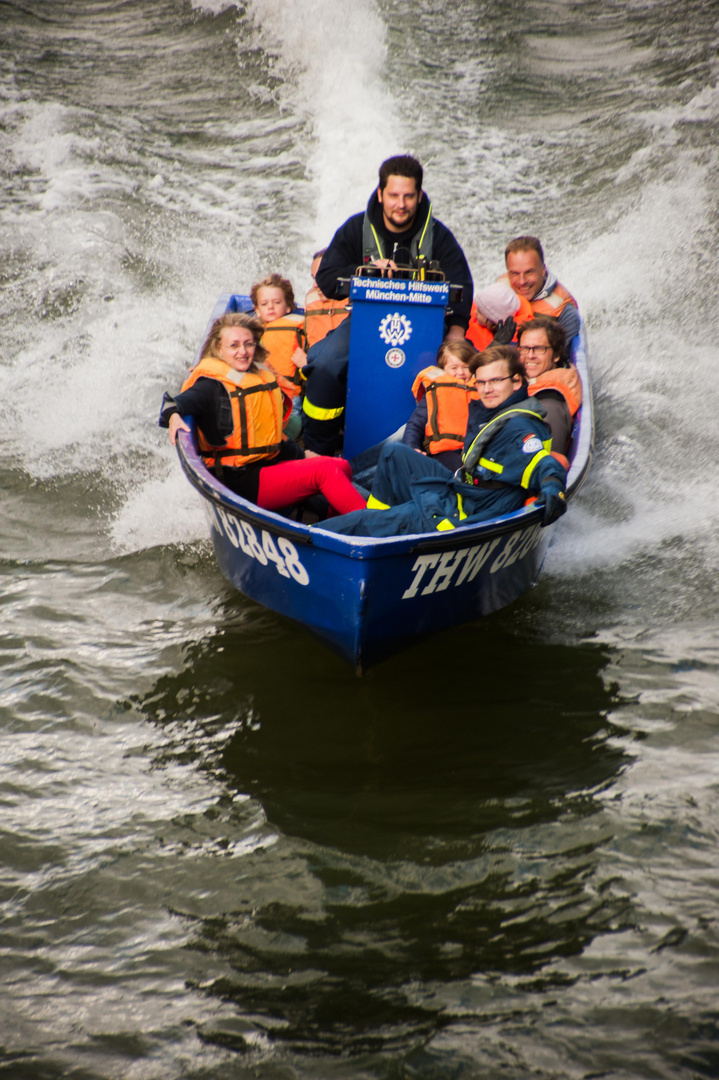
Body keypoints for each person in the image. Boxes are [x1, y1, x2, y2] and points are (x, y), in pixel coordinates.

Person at [301, 154, 475, 456]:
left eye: (408, 196)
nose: (401, 204)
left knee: (464, 373)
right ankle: (319, 452)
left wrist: (457, 332)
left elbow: (463, 286)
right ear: (381, 194)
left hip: (428, 328)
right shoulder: (356, 229)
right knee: (326, 367)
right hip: (364, 323)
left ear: (419, 196)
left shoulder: (439, 237)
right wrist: (363, 270)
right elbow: (327, 277)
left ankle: (444, 450)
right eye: (393, 195)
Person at [317, 344, 567, 537]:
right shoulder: (495, 410)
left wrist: (553, 488)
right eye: (480, 382)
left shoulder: (518, 428)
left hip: (461, 513)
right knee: (394, 453)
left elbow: (543, 463)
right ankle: (382, 524)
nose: (486, 389)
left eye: (495, 381)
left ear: (516, 381)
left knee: (359, 524)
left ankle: (315, 535)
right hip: (460, 490)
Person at [159, 313, 366, 517]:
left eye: (248, 344)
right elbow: (172, 404)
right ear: (218, 349)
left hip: (263, 467)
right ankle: (371, 528)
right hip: (237, 481)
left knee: (342, 466)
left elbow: (268, 440)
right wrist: (173, 417)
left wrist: (303, 454)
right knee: (325, 472)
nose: (243, 351)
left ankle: (339, 522)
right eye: (234, 345)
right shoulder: (210, 386)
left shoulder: (256, 378)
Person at [402, 339, 479, 472]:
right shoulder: (435, 392)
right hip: (442, 454)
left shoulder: (481, 390)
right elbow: (415, 425)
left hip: (471, 453)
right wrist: (412, 447)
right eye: (454, 368)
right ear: (442, 370)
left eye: (465, 367)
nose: (460, 373)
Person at [517, 315, 582, 461]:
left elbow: (550, 462)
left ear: (556, 355)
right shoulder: (528, 382)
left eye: (539, 349)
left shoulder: (550, 407)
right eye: (525, 349)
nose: (530, 356)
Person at [500, 236, 580, 341]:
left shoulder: (566, 313)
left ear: (543, 271)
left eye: (529, 272)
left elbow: (561, 355)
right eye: (515, 273)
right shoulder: (499, 290)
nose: (522, 281)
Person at [250, 274, 307, 400]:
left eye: (277, 302)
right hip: (262, 394)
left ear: (288, 307)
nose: (270, 307)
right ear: (257, 310)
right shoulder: (250, 333)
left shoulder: (302, 328)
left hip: (292, 396)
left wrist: (305, 363)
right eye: (264, 304)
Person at [303, 248, 350, 349]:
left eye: (321, 277)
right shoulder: (311, 302)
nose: (314, 285)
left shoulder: (361, 303)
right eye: (313, 278)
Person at [466, 282, 533, 351]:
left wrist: (496, 345)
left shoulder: (516, 343)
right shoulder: (467, 331)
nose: (475, 312)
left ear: (492, 321)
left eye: (480, 311)